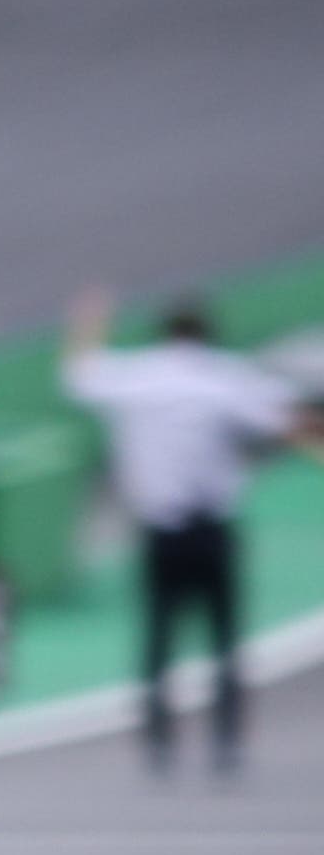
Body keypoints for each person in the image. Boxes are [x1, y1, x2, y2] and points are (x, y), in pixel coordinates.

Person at [61, 293, 300, 774]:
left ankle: (158, 741)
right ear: (206, 335)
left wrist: (88, 322)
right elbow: (280, 419)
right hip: (213, 527)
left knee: (158, 634)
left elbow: (79, 377)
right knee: (224, 639)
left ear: (164, 334)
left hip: (161, 529)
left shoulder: (138, 376)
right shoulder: (225, 377)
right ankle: (227, 741)